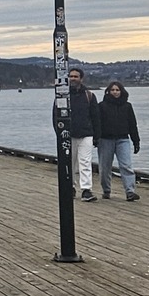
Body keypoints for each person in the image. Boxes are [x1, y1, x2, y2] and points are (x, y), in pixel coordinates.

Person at [95, 80, 142, 202]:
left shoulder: (127, 106)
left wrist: (136, 141)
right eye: (112, 90)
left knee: (126, 165)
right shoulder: (101, 106)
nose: (115, 92)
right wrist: (96, 138)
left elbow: (133, 125)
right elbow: (97, 123)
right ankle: (106, 190)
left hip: (123, 139)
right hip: (105, 139)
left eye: (117, 90)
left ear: (121, 91)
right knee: (105, 168)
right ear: (108, 92)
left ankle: (130, 192)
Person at [59, 67, 101, 201]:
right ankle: (70, 187)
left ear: (81, 79)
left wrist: (97, 136)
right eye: (71, 76)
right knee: (69, 164)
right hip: (68, 135)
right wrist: (59, 134)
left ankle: (86, 189)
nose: (73, 79)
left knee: (85, 162)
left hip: (86, 134)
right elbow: (56, 117)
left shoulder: (89, 96)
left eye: (76, 76)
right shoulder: (62, 96)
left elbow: (95, 117)